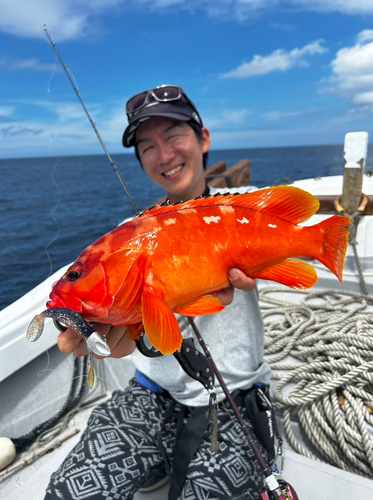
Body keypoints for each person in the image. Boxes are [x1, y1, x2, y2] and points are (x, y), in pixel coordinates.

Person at [45, 85, 271, 500]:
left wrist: (264, 265)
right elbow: (127, 323)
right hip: (152, 396)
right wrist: (111, 328)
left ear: (203, 139)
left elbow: (282, 246)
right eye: (147, 146)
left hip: (233, 398)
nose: (164, 155)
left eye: (173, 136)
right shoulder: (128, 239)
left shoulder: (240, 213)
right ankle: (160, 455)